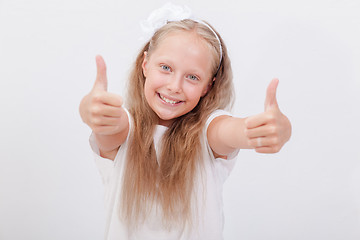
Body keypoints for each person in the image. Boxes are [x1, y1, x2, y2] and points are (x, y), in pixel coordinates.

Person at [79, 3, 291, 240]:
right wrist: (91, 110)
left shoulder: (207, 132)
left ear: (207, 86)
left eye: (192, 77)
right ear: (145, 64)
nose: (175, 86)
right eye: (166, 67)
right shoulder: (126, 129)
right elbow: (110, 126)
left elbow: (231, 131)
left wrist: (264, 130)